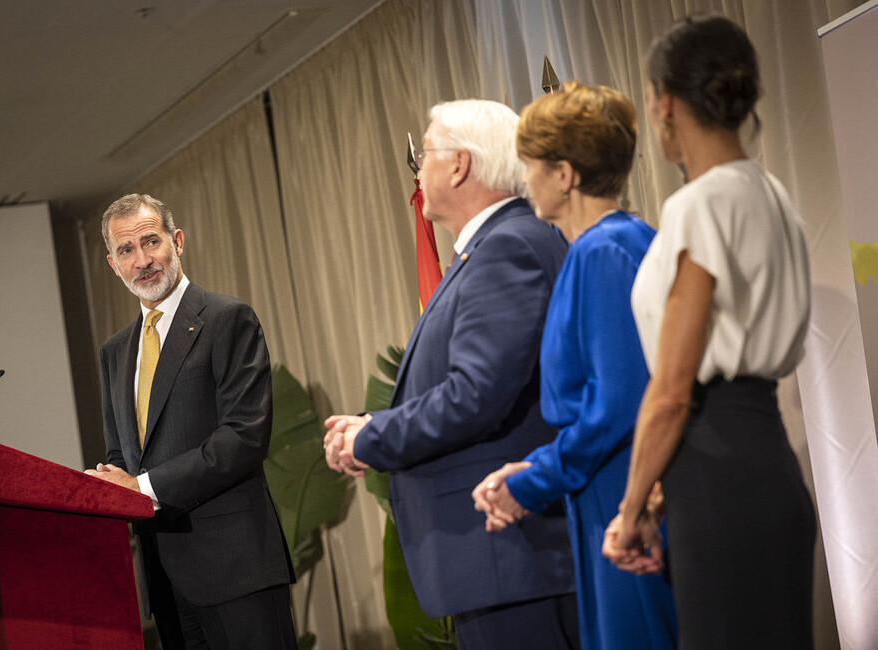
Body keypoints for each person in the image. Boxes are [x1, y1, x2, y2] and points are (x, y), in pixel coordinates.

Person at [324, 100, 578, 650]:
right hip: (495, 562)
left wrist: (373, 437)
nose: (419, 171)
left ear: (460, 165)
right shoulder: (487, 251)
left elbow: (478, 394)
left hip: (511, 556)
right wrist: (373, 424)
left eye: (428, 155)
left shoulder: (507, 247)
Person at [602, 15, 816, 649]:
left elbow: (671, 391)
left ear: (667, 107)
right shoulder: (774, 196)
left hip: (722, 491)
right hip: (764, 472)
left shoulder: (700, 203)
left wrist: (632, 507)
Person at [471, 82, 678, 650]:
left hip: (619, 489)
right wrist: (533, 466)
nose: (524, 179)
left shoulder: (602, 252)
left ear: (564, 174)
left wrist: (535, 480)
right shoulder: (624, 242)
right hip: (611, 481)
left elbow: (616, 405)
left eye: (530, 165)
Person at [85, 194, 296, 650]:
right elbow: (123, 455)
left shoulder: (227, 319)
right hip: (164, 580)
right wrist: (104, 484)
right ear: (112, 263)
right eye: (127, 250)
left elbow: (244, 436)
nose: (142, 260)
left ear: (177, 241)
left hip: (237, 568)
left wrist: (140, 489)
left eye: (151, 242)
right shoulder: (115, 353)